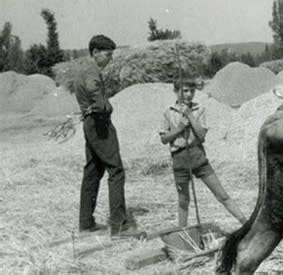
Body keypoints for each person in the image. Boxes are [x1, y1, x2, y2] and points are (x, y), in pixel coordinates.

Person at [73, 35, 146, 239]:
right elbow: (92, 89)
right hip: (99, 123)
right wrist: (105, 105)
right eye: (107, 54)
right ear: (95, 52)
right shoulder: (92, 71)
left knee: (93, 171)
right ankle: (120, 227)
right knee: (116, 171)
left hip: (90, 124)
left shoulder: (81, 70)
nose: (110, 58)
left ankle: (86, 223)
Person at [159, 75, 247, 227]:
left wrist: (190, 116)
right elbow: (164, 139)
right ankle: (183, 232)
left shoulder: (199, 109)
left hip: (197, 156)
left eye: (192, 91)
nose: (188, 95)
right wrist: (180, 128)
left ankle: (246, 224)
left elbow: (201, 135)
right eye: (185, 91)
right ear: (176, 91)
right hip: (179, 159)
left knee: (222, 195)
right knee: (183, 200)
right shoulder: (168, 112)